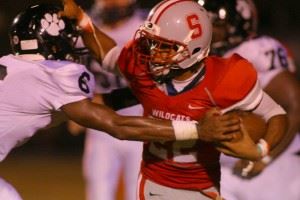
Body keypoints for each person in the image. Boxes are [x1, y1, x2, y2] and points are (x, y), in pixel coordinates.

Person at [0, 3, 249, 200]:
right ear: (54, 42)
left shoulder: (16, 66)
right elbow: (117, 126)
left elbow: (94, 103)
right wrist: (197, 129)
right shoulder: (53, 74)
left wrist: (140, 91)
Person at [61, 0, 288, 199]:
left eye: (165, 47)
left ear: (194, 48)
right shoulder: (144, 66)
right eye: (152, 43)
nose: (153, 54)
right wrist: (81, 18)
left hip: (205, 187)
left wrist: (260, 151)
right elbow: (108, 53)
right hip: (155, 185)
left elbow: (276, 114)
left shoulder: (225, 77)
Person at [203, 0, 300, 199]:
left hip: (273, 167)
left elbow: (294, 105)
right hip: (221, 169)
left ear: (238, 25)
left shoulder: (255, 51)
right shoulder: (196, 60)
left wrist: (265, 156)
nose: (207, 31)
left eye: (215, 24)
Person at [68, 0, 145, 199]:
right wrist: (74, 103)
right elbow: (70, 68)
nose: (110, 3)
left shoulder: (145, 29)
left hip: (141, 124)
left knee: (138, 193)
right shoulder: (85, 28)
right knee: (98, 191)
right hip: (100, 124)